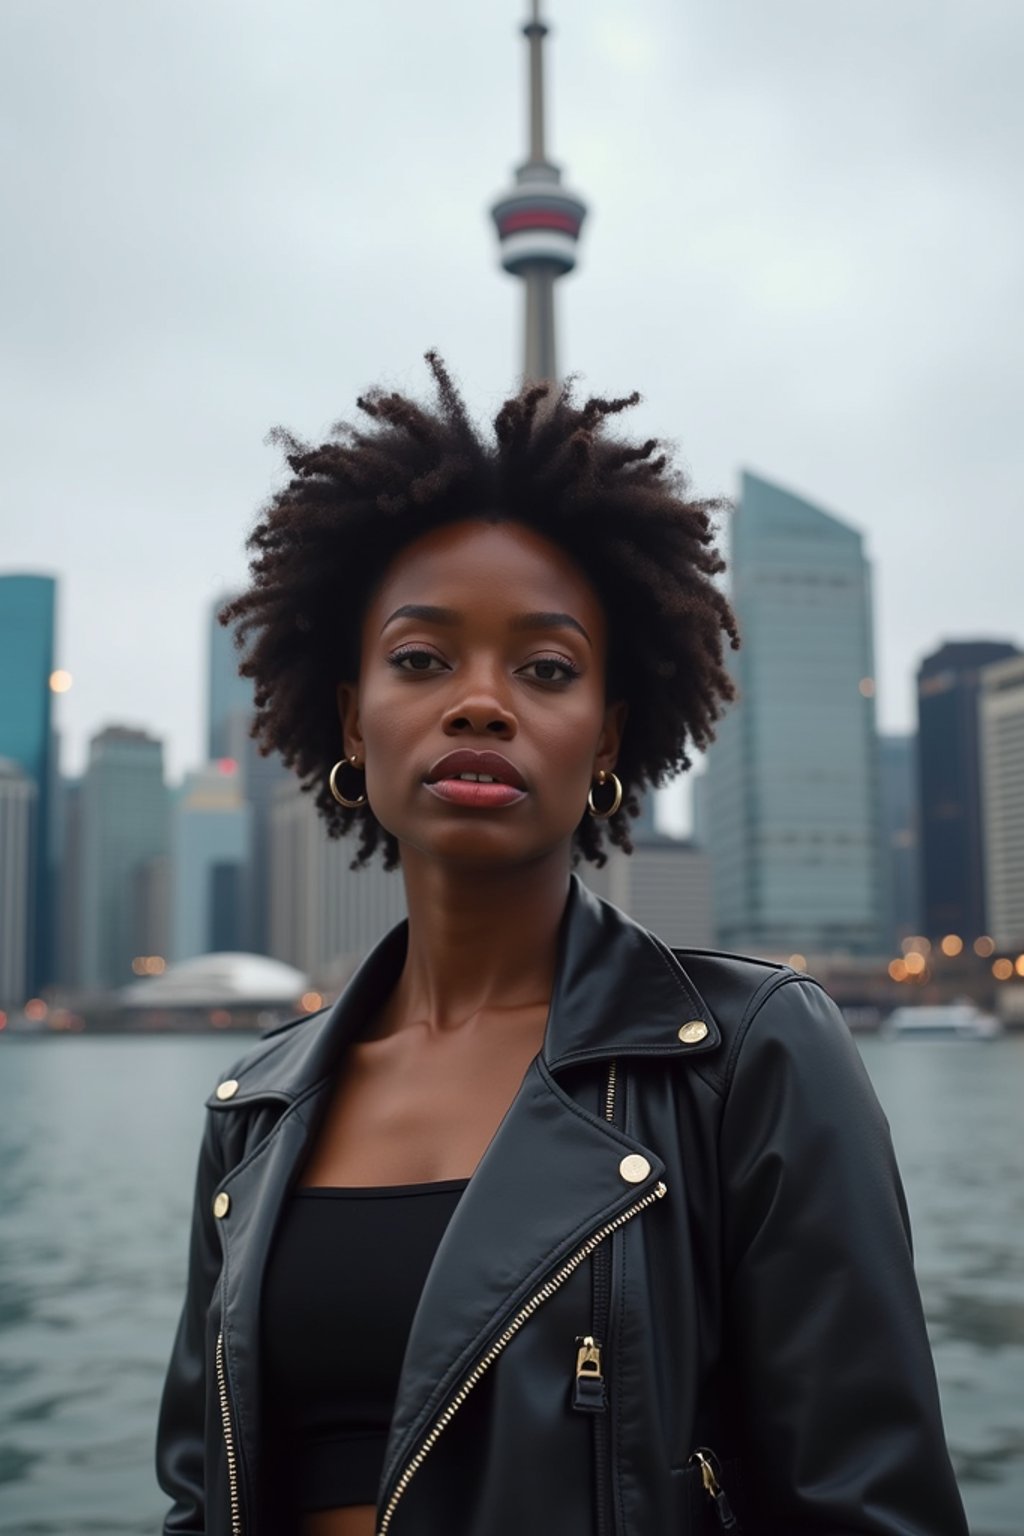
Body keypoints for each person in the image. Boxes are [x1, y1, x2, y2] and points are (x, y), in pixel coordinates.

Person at [156, 355, 968, 1536]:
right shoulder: (255, 1110)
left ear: (607, 737)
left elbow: (865, 1506)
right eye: (421, 659)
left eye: (544, 669)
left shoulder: (747, 1061)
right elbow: (200, 1499)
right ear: (349, 717)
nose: (480, 703)